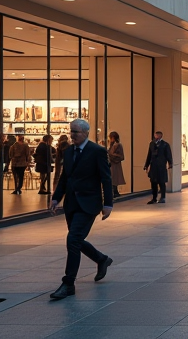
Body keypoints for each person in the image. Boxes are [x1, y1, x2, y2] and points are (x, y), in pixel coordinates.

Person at [48, 118, 114, 300]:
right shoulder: (68, 152)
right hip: (71, 204)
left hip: (89, 204)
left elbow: (106, 179)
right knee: (75, 240)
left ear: (85, 133)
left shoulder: (97, 151)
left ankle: (68, 283)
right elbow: (64, 178)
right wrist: (55, 198)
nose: (72, 135)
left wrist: (108, 203)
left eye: (75, 132)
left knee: (73, 239)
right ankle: (101, 259)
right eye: (71, 131)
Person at [143, 131, 173, 204]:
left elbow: (168, 154)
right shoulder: (152, 144)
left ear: (160, 136)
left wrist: (170, 163)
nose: (156, 137)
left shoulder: (165, 145)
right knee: (153, 182)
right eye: (155, 135)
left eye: (157, 135)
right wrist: (146, 165)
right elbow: (149, 155)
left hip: (161, 166)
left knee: (161, 182)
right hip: (153, 166)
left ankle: (163, 197)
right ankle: (154, 198)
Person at [107, 132, 126, 198]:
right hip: (112, 163)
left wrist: (110, 154)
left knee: (114, 177)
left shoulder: (117, 145)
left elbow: (120, 156)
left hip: (115, 164)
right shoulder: (112, 145)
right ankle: (114, 191)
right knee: (112, 177)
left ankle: (114, 191)